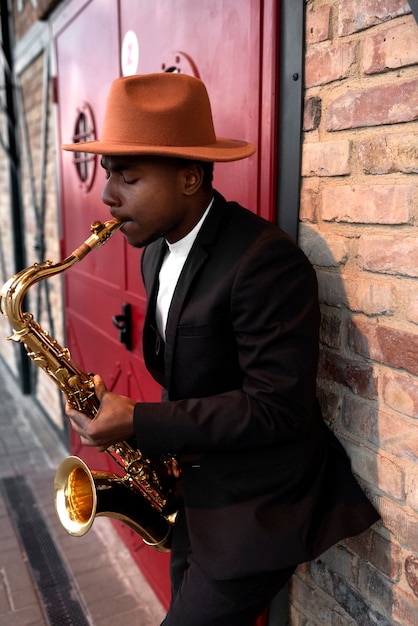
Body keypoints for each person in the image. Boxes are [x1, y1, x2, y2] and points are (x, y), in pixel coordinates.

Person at [62, 73, 380, 626]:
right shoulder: (155, 252)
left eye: (129, 177)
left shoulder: (264, 262)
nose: (108, 196)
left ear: (190, 178)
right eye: (110, 174)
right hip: (197, 498)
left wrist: (139, 420)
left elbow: (277, 409)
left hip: (257, 511)